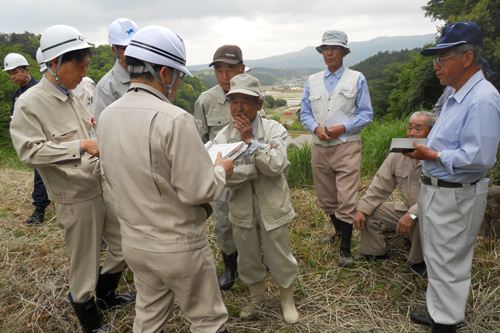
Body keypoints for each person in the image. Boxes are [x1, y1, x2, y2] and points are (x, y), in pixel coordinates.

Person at [98, 26, 233, 333]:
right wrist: (221, 168)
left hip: (135, 242)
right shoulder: (174, 118)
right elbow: (199, 189)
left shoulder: (107, 116)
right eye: (177, 74)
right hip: (178, 244)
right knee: (208, 320)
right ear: (163, 72)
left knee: (148, 316)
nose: (177, 83)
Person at [10, 25, 136, 333]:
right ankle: (89, 318)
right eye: (78, 64)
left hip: (100, 182)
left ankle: (106, 296)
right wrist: (79, 145)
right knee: (84, 262)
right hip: (74, 196)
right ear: (54, 63)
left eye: (86, 63)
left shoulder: (78, 93)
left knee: (121, 245)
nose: (83, 71)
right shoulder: (30, 103)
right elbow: (29, 152)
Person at [404, 21, 500, 333]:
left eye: (442, 59)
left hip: (456, 192)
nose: (436, 67)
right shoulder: (454, 93)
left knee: (449, 261)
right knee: (437, 256)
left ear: (467, 58)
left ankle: (445, 324)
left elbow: (480, 157)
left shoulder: (482, 99)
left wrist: (432, 155)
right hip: (437, 189)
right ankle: (439, 311)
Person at [214, 74, 299, 323]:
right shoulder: (223, 136)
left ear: (259, 105)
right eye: (234, 101)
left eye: (246, 101)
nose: (238, 108)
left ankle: (287, 299)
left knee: (280, 255)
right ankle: (257, 297)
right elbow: (223, 177)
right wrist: (254, 170)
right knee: (248, 256)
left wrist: (250, 141)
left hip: (273, 207)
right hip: (241, 209)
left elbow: (275, 166)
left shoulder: (275, 129)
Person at [194, 45, 266, 290]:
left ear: (242, 69)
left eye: (231, 69)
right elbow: (199, 142)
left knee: (256, 216)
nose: (225, 76)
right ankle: (230, 266)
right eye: (219, 70)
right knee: (224, 222)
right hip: (223, 175)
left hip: (253, 171)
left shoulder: (254, 95)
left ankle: (257, 257)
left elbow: (262, 131)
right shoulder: (205, 101)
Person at [300, 30, 373, 267]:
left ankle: (345, 248)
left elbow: (366, 114)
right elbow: (305, 113)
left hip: (347, 145)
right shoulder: (312, 81)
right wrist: (315, 128)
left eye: (334, 48)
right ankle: (339, 232)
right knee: (326, 195)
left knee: (347, 196)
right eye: (325, 49)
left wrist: (344, 127)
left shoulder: (357, 78)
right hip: (320, 146)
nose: (329, 52)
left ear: (343, 52)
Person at [353, 111, 437, 278]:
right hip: (406, 208)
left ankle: (418, 263)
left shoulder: (438, 157)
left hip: (433, 211)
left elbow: (436, 194)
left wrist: (413, 213)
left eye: (418, 129)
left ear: (432, 132)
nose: (411, 133)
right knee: (370, 209)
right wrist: (362, 209)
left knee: (421, 218)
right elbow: (379, 185)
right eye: (409, 128)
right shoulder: (399, 154)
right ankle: (375, 253)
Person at [4, 52, 50, 225]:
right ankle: (42, 206)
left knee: (41, 174)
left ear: (27, 70)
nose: (13, 76)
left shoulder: (39, 89)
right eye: (10, 74)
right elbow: (13, 115)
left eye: (16, 72)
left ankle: (39, 210)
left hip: (43, 137)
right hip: (28, 139)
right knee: (39, 173)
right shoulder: (17, 93)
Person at [93, 18, 138, 127]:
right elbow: (102, 129)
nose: (132, 52)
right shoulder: (106, 88)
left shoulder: (150, 76)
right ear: (114, 50)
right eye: (126, 48)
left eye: (135, 46)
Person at [38, 47, 96, 115]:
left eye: (86, 66)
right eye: (80, 65)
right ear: (55, 63)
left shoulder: (77, 94)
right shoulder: (30, 105)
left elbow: (91, 119)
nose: (84, 74)